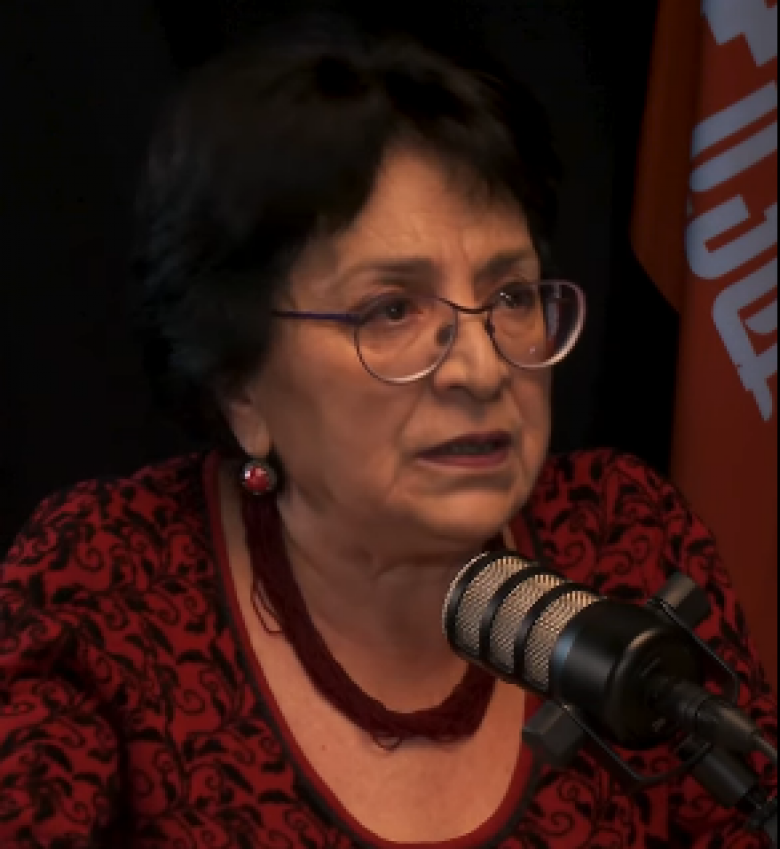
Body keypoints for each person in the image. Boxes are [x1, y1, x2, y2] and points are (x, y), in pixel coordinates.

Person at [0, 15, 776, 849]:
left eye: (510, 296)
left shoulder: (622, 533)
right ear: (240, 383)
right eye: (393, 309)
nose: (482, 368)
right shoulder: (104, 581)